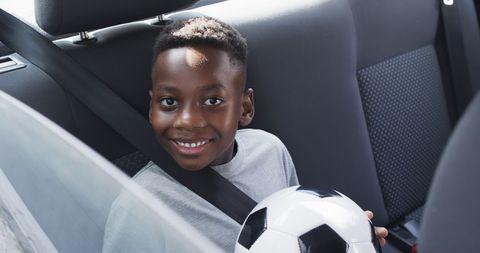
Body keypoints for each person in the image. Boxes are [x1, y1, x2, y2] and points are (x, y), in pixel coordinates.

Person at [103, 16, 387, 253]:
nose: (187, 120)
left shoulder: (270, 150)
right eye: (169, 102)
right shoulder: (138, 208)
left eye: (212, 101)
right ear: (151, 109)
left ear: (245, 108)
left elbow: (296, 228)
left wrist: (350, 235)